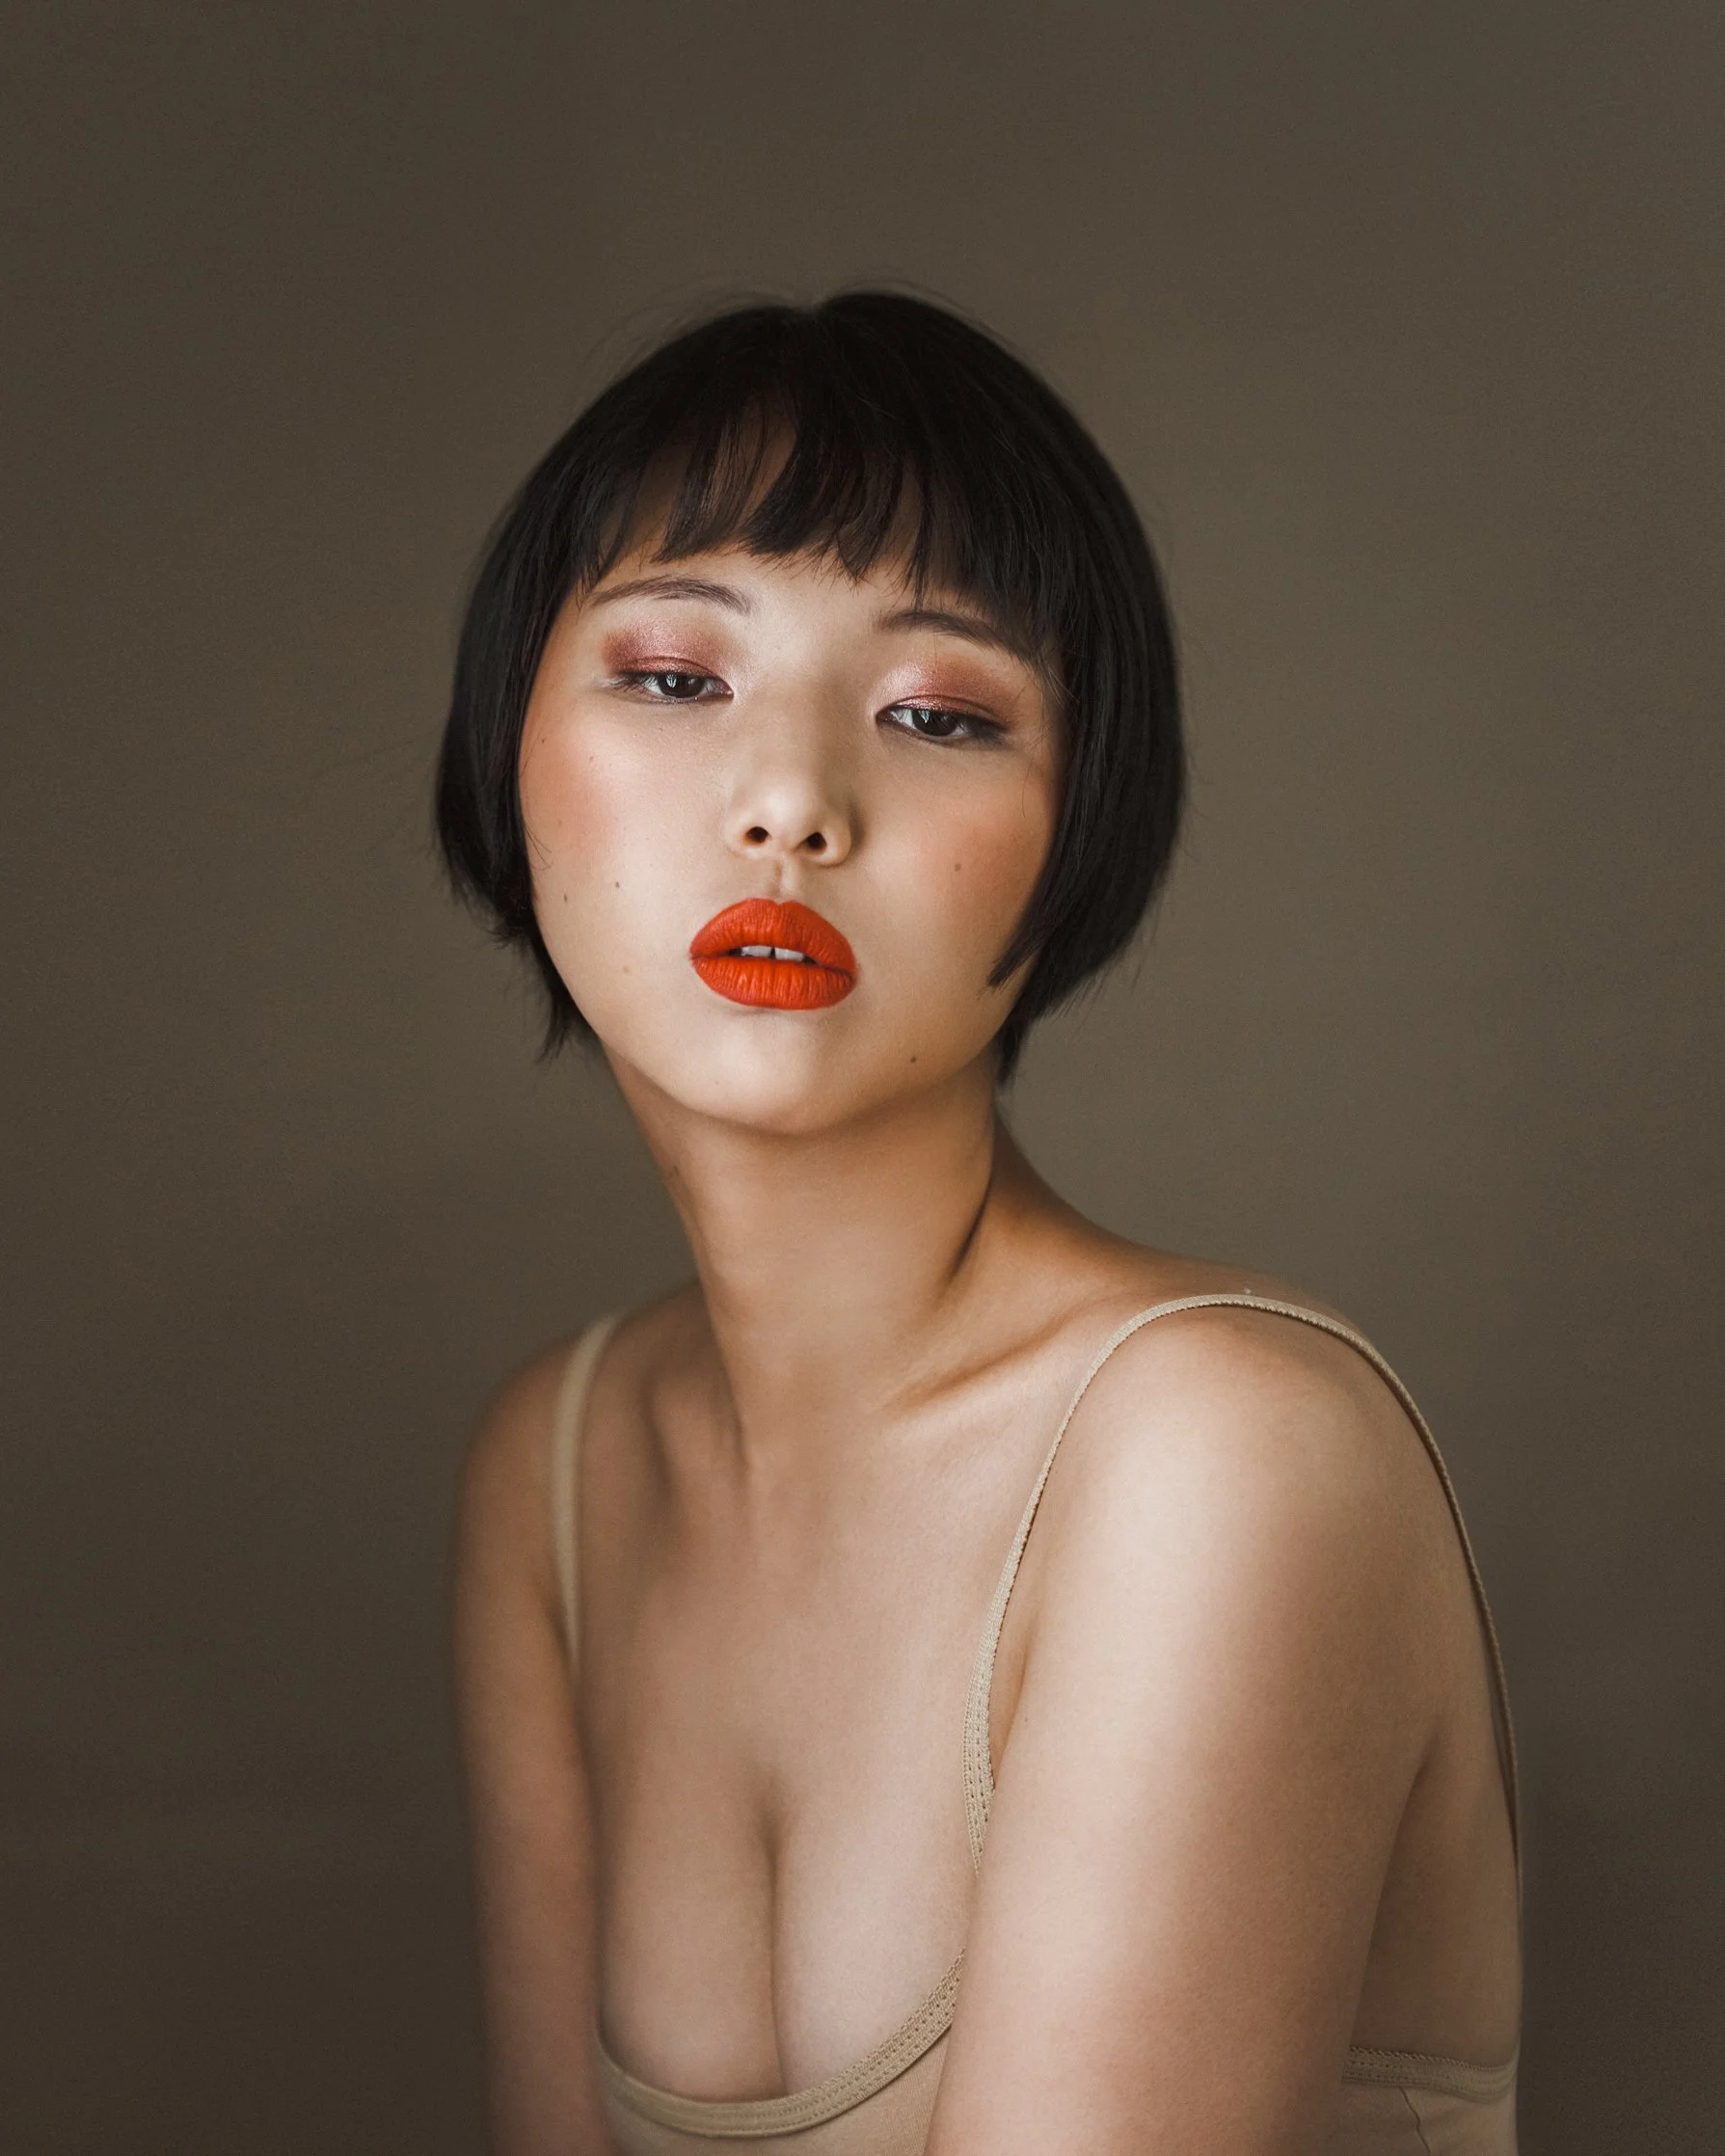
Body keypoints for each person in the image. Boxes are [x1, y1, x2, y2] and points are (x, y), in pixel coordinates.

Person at [439, 292, 1521, 2156]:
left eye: (938, 714)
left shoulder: (1221, 1459)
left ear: (1079, 825)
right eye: (678, 676)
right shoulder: (560, 1466)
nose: (790, 802)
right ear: (507, 739)